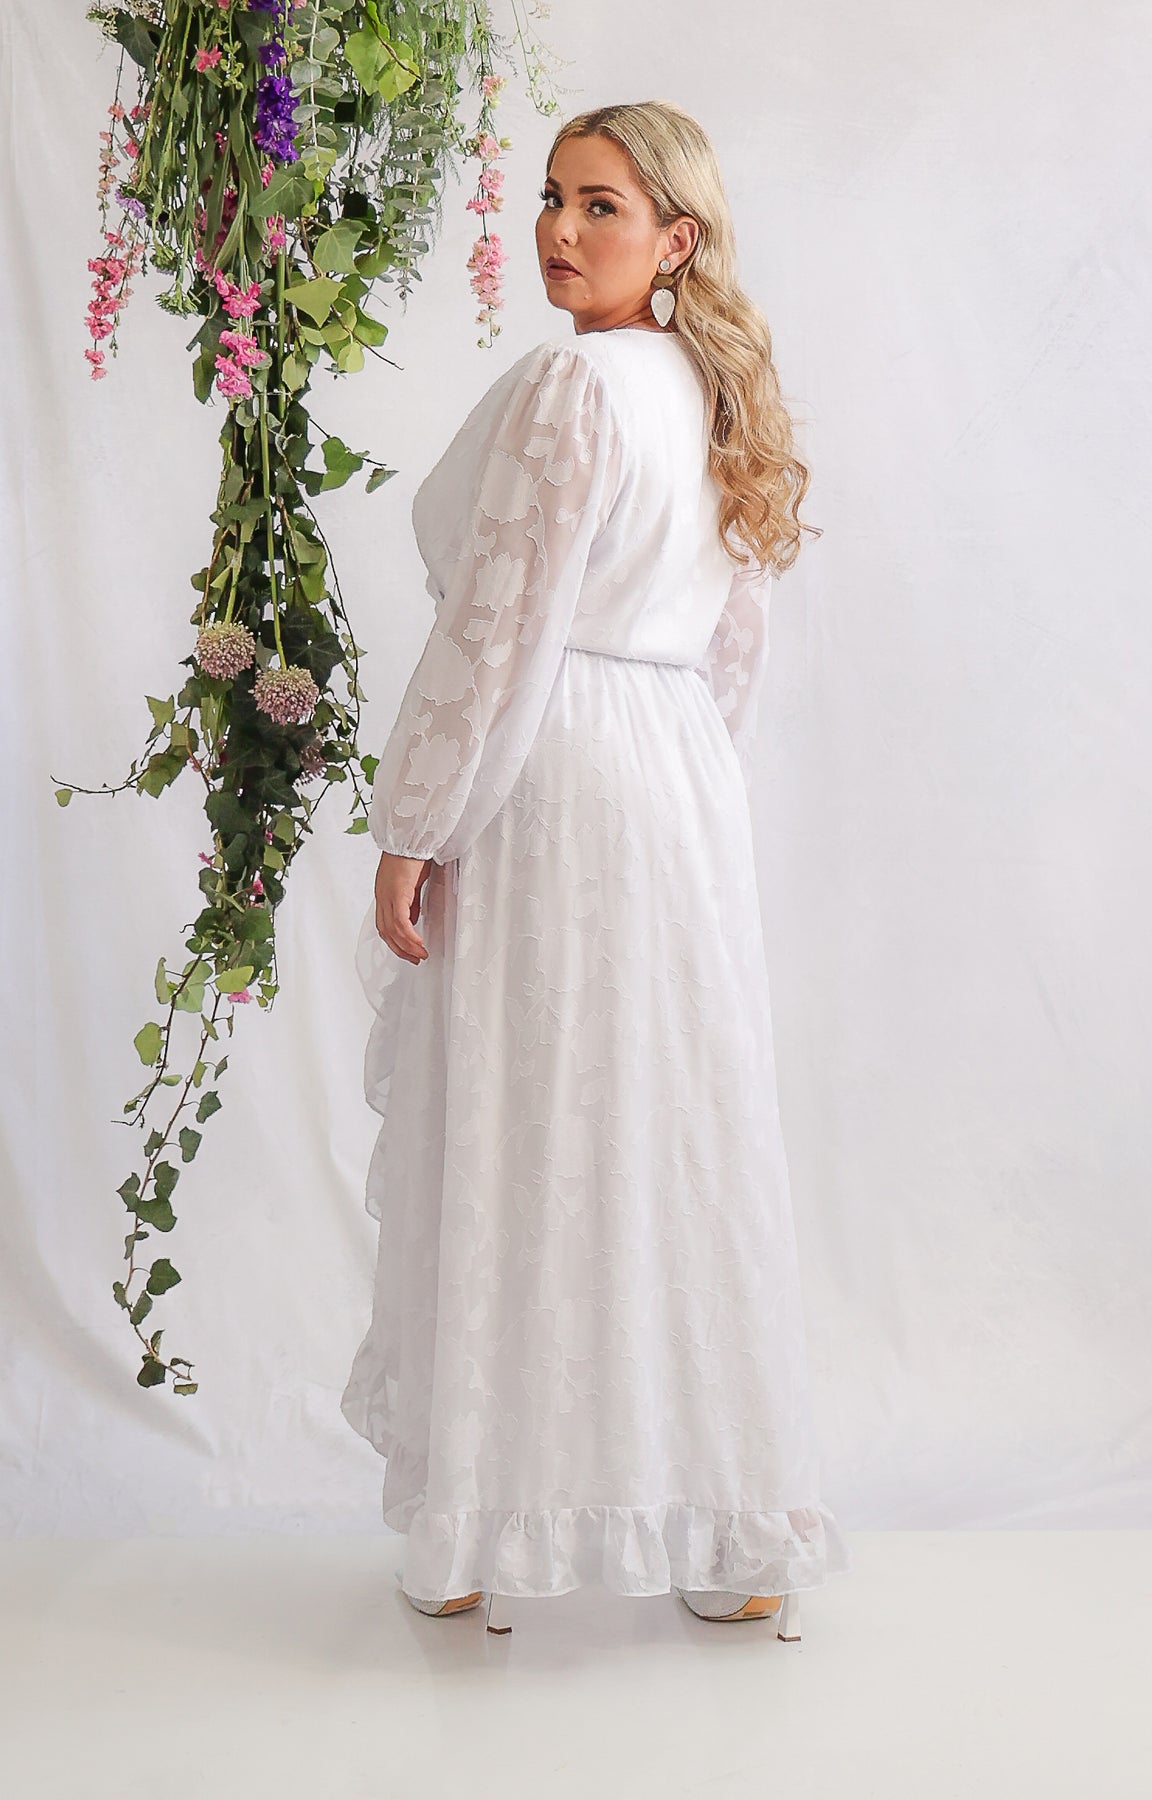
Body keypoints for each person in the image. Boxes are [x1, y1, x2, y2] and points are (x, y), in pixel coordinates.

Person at [340, 99, 853, 1631]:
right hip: (679, 780)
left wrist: (414, 822)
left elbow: (497, 625)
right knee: (672, 1136)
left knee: (527, 1126)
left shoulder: (575, 383)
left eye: (602, 206)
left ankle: (480, 1530)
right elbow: (735, 643)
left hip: (551, 768)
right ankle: (730, 1538)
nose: (559, 231)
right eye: (552, 197)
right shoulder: (716, 393)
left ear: (677, 237)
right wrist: (687, 784)